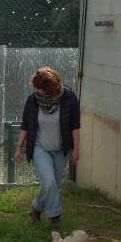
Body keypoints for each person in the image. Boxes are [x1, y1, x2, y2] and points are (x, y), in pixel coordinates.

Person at [14, 67, 80, 226]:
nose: (35, 90)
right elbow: (25, 125)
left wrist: (76, 149)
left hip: (61, 149)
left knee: (51, 185)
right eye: (34, 86)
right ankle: (54, 216)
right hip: (39, 147)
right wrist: (18, 147)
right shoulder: (33, 100)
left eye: (39, 87)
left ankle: (36, 208)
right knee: (49, 183)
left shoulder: (69, 98)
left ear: (50, 88)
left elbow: (75, 126)